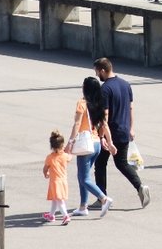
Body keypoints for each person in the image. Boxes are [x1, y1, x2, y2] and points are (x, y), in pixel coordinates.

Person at [92, 57, 151, 208]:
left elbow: (104, 114)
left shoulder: (105, 89)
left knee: (100, 163)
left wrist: (101, 135)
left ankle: (102, 198)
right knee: (122, 163)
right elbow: (130, 108)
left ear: (103, 70)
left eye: (97, 72)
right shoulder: (125, 84)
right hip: (124, 130)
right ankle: (140, 187)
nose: (97, 75)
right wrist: (131, 128)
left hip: (110, 132)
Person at [67, 77, 114, 218]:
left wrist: (70, 141)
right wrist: (110, 142)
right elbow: (104, 125)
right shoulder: (99, 104)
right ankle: (83, 206)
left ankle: (104, 198)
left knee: (84, 178)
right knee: (82, 175)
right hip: (96, 143)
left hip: (85, 144)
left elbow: (77, 124)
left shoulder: (82, 103)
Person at [43, 131, 72, 225]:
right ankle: (51, 215)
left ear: (51, 146)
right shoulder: (65, 156)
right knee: (55, 199)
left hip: (55, 182)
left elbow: (45, 168)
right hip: (63, 181)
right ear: (62, 145)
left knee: (59, 200)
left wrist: (45, 173)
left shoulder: (50, 157)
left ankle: (65, 215)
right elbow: (69, 157)